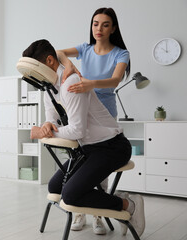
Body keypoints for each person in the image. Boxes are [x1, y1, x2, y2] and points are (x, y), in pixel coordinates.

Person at [22, 39, 145, 237]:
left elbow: (77, 131)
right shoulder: (50, 87)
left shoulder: (71, 83)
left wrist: (43, 133)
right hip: (87, 149)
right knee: (55, 186)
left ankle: (128, 205)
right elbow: (50, 119)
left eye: (37, 68)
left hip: (112, 147)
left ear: (50, 61)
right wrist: (46, 125)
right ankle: (114, 201)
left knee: (70, 195)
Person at [56, 7, 130, 234]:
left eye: (105, 24)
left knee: (100, 170)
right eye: (95, 23)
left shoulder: (120, 53)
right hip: (81, 114)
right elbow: (58, 52)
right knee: (80, 165)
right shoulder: (84, 49)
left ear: (113, 28)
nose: (99, 28)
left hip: (105, 117)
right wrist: (69, 66)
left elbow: (115, 80)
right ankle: (79, 212)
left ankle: (99, 215)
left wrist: (90, 83)